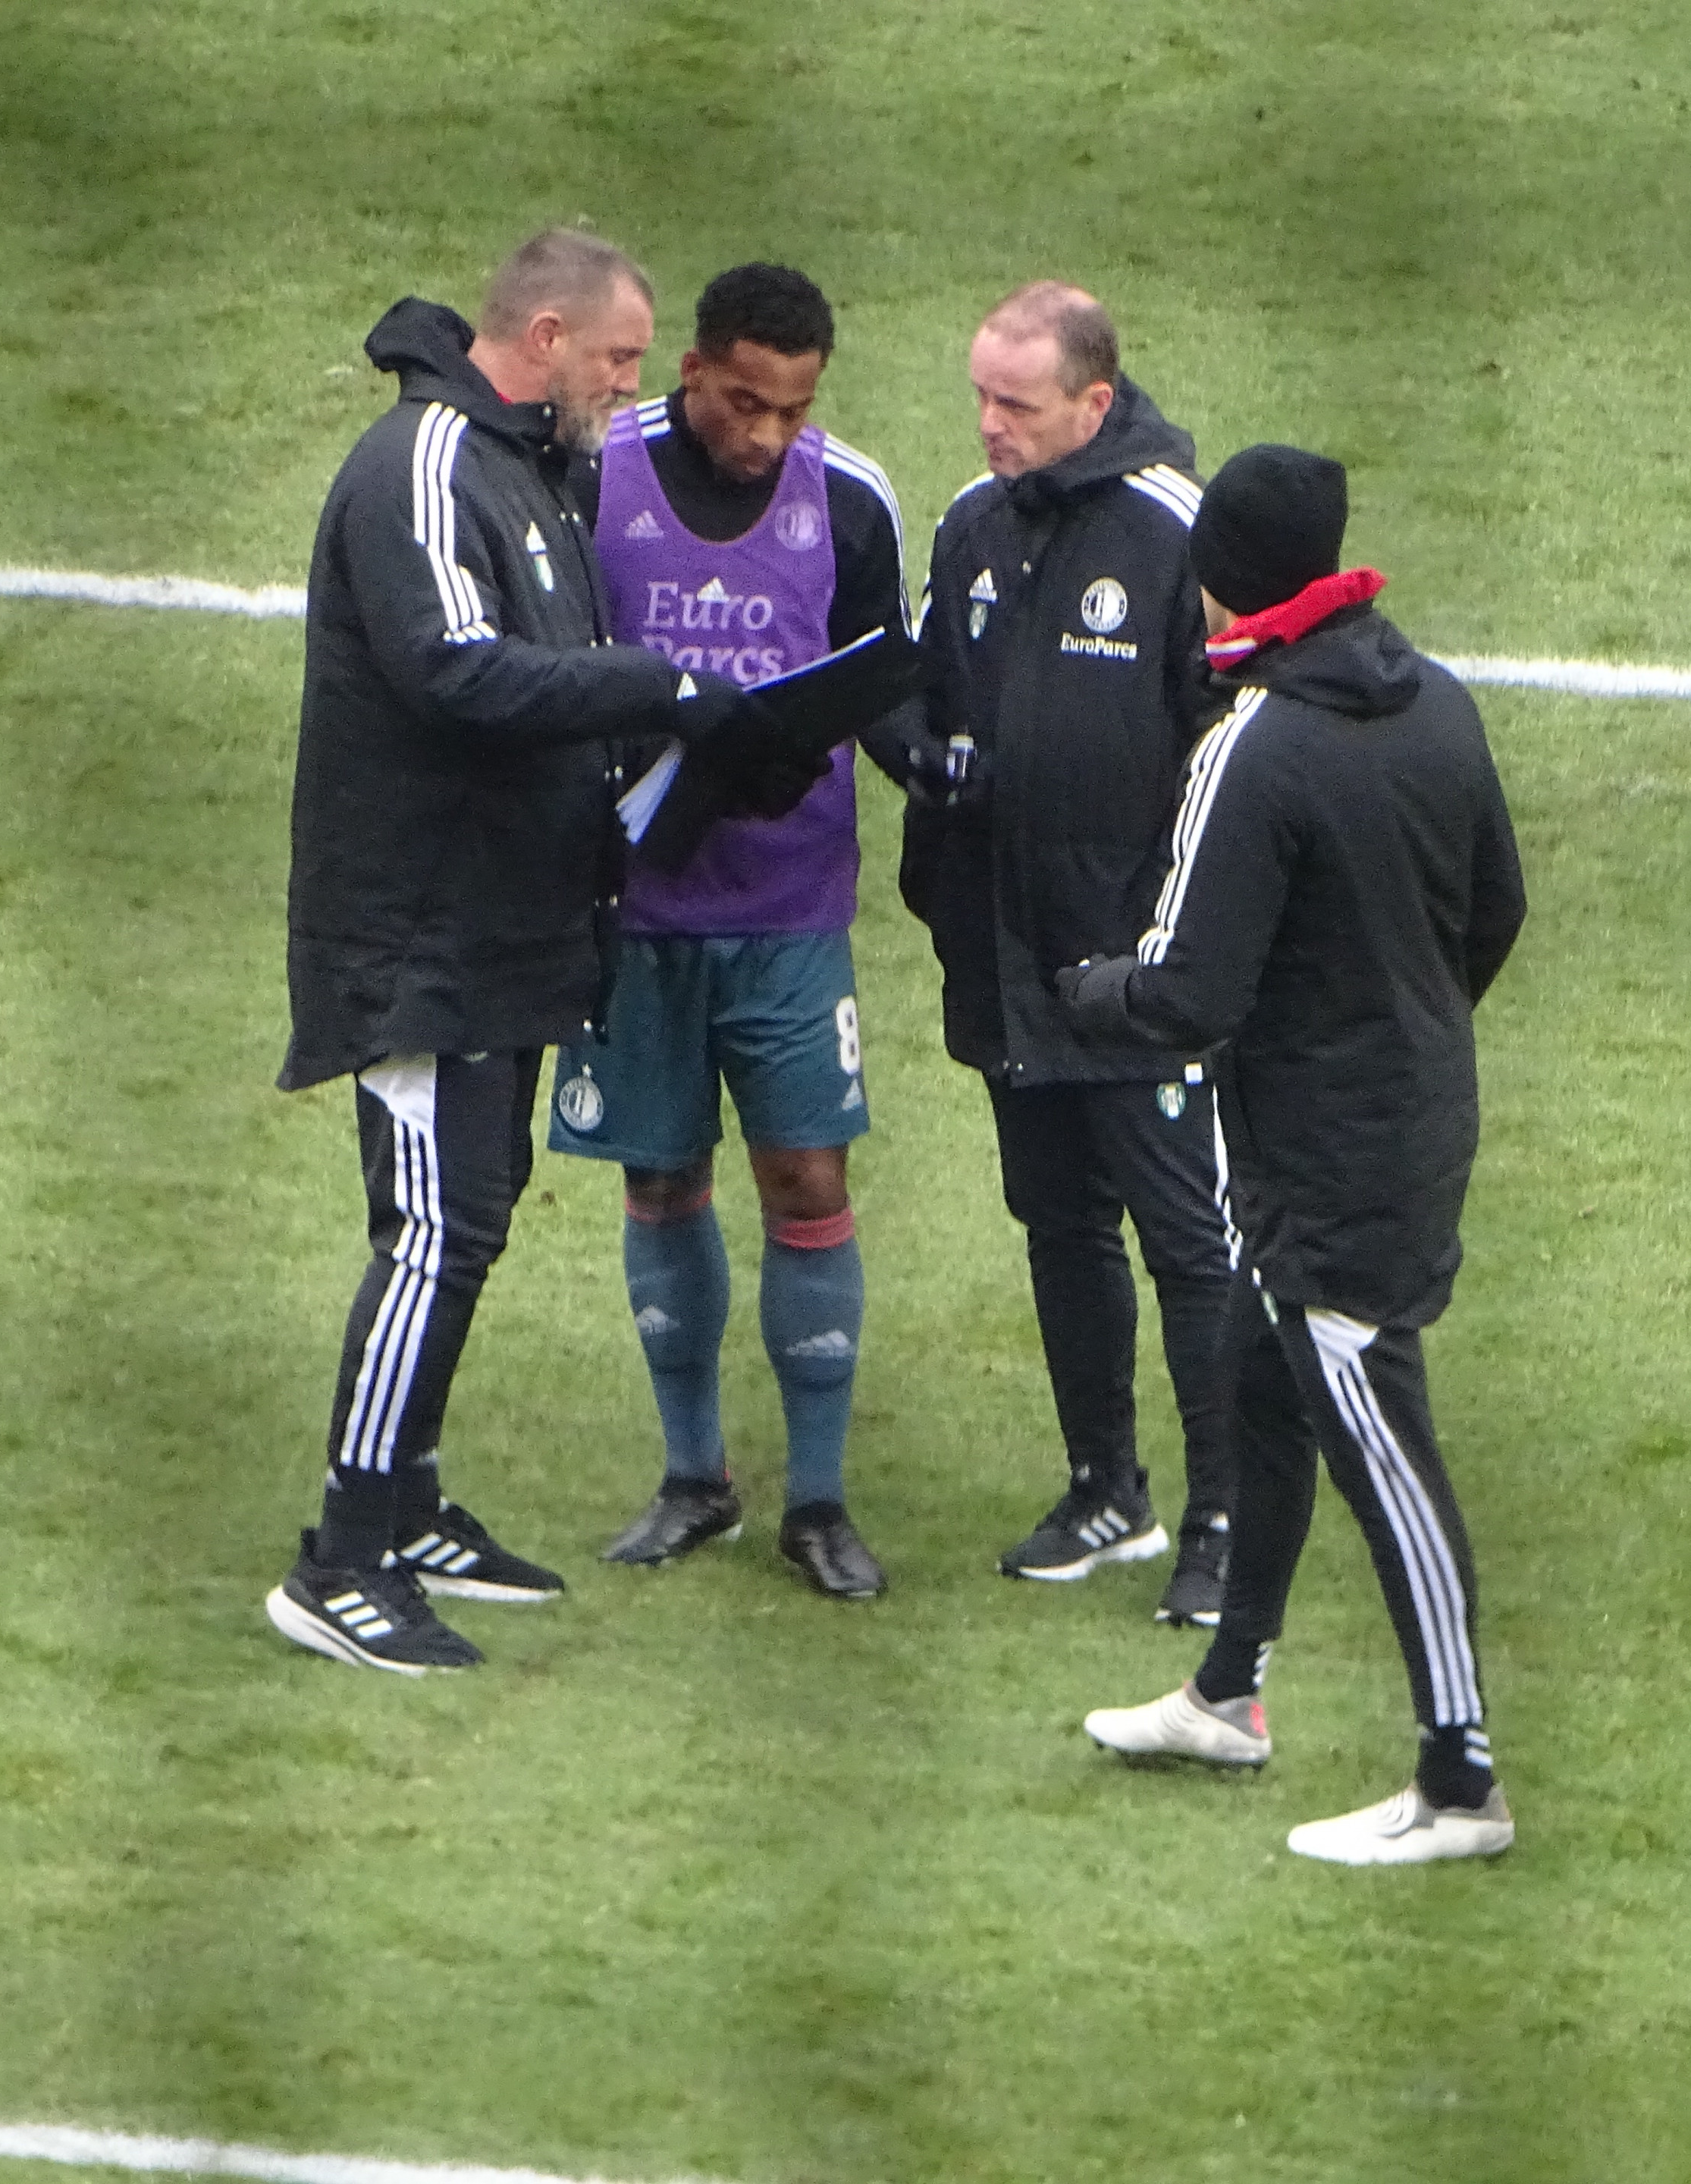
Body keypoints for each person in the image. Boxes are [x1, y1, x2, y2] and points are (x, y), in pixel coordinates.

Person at [264, 229, 808, 1675]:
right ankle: (344, 1556)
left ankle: (416, 1495)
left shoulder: (529, 469)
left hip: (499, 926)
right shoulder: (429, 462)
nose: (634, 393)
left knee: (473, 1218)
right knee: (432, 1232)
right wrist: (661, 686)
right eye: (623, 360)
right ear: (550, 335)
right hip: (419, 937)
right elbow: (451, 669)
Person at [1064, 444, 1528, 1865]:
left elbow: (1191, 991)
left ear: (1217, 581)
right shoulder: (1435, 699)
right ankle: (1228, 1693)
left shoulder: (1253, 746)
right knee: (1263, 1385)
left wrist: (1089, 991)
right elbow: (1494, 910)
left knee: (1382, 1447)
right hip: (1414, 1113)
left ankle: (1461, 1781)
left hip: (1322, 1161)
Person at [551, 263, 918, 1600]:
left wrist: (925, 755)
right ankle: (693, 1476)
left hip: (789, 912)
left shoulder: (852, 497)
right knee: (658, 1179)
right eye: (745, 402)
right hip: (638, 906)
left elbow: (877, 673)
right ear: (694, 368)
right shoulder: (595, 476)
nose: (765, 434)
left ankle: (817, 1503)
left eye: (793, 408)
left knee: (808, 1184)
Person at [902, 281, 1236, 1624]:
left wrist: (1187, 945)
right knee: (1058, 1225)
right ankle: (1108, 1488)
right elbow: (934, 698)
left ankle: (1222, 1517)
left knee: (1190, 1240)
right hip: (1010, 958)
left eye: (1016, 405)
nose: (989, 425)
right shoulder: (970, 530)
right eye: (980, 396)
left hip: (1143, 970)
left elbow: (1228, 750)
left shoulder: (1176, 536)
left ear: (1094, 405)